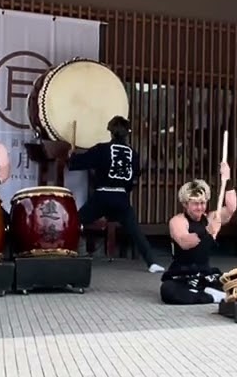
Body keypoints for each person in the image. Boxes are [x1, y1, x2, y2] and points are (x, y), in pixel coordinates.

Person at [66, 116, 165, 274]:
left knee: (74, 223)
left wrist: (71, 156)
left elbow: (80, 162)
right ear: (127, 133)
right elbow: (135, 175)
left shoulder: (102, 149)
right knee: (135, 231)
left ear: (110, 132)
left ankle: (63, 253)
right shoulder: (133, 153)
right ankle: (152, 262)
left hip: (101, 197)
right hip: (121, 199)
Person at [161, 162, 237, 304]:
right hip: (182, 274)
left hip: (204, 273)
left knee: (233, 285)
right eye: (195, 203)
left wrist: (227, 180)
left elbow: (231, 208)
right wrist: (208, 232)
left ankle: (204, 293)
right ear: (185, 204)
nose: (200, 207)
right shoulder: (178, 221)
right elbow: (185, 243)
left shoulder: (210, 218)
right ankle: (211, 297)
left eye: (202, 203)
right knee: (168, 291)